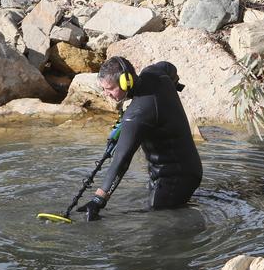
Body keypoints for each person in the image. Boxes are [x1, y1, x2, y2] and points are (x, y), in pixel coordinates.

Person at [76, 56, 203, 221]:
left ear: (125, 82)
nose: (106, 94)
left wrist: (98, 199)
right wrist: (173, 83)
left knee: (159, 220)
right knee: (170, 209)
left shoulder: (137, 114)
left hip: (173, 177)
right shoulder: (155, 74)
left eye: (110, 88)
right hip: (187, 169)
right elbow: (168, 67)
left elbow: (121, 160)